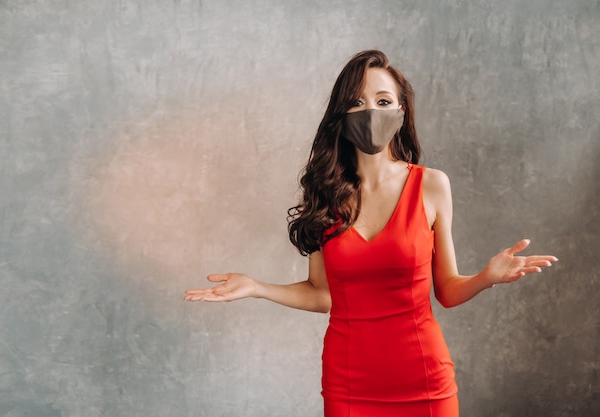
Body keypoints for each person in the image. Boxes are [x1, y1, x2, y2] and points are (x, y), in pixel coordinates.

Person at [184, 50, 557, 417]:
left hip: (424, 380)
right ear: (341, 116)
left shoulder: (431, 185)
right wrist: (256, 287)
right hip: (349, 384)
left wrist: (486, 278)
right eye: (358, 103)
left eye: (383, 101)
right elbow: (321, 294)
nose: (371, 113)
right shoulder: (325, 193)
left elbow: (446, 290)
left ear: (401, 111)